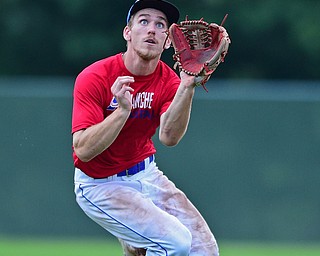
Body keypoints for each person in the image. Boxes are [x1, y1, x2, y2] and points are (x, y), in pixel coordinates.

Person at [72, 0, 219, 255]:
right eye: (143, 21)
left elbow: (169, 137)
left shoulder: (170, 81)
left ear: (169, 41)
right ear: (127, 33)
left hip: (147, 175)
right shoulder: (95, 77)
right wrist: (122, 112)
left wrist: (187, 86)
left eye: (160, 25)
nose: (152, 29)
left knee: (205, 251)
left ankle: (136, 244)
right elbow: (83, 150)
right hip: (100, 185)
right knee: (176, 243)